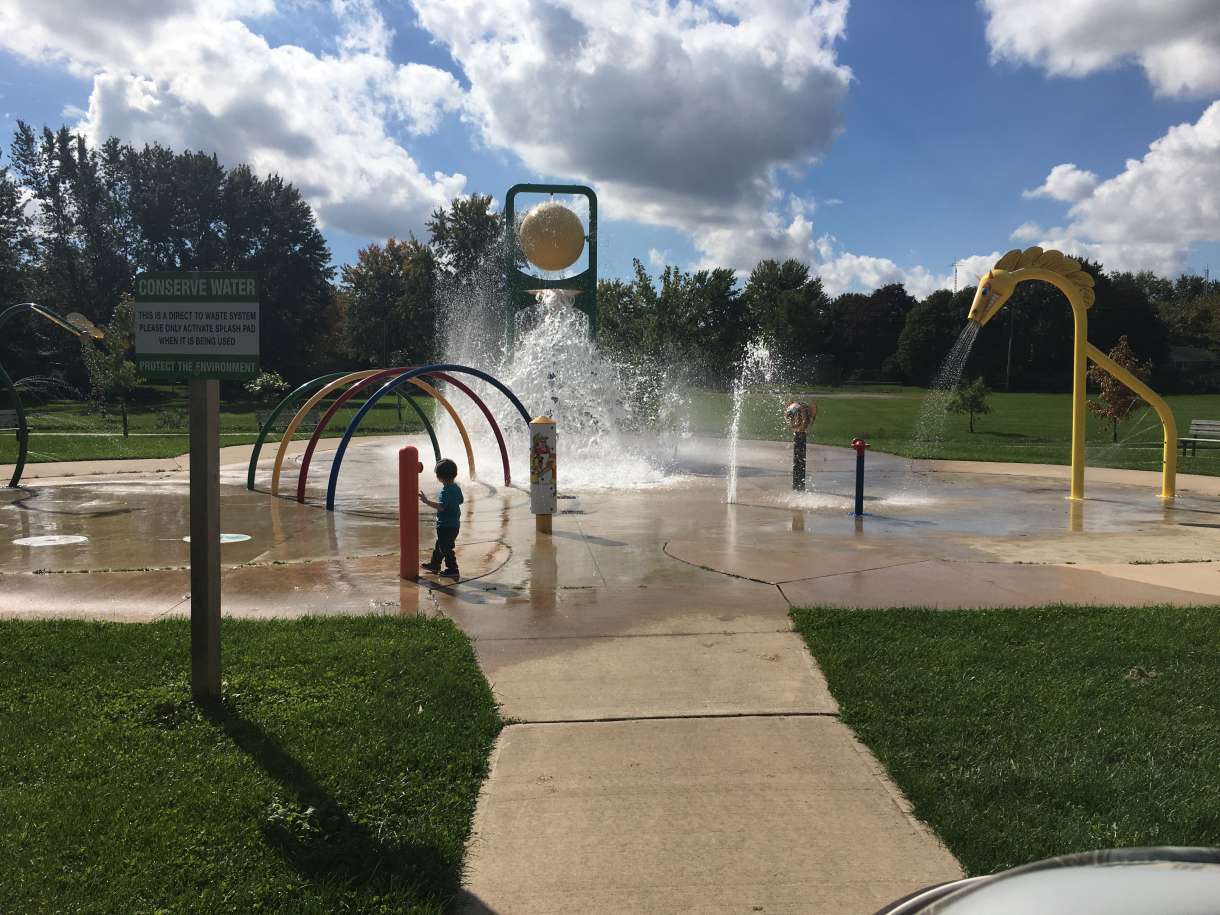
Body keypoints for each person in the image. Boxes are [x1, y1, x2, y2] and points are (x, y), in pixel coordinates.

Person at [419, 458, 463, 578]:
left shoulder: (445, 491)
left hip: (445, 525)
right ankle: (434, 565)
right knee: (441, 545)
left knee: (446, 548)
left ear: (439, 477)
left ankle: (453, 569)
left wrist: (426, 501)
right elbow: (461, 500)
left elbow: (441, 507)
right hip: (454, 525)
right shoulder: (456, 487)